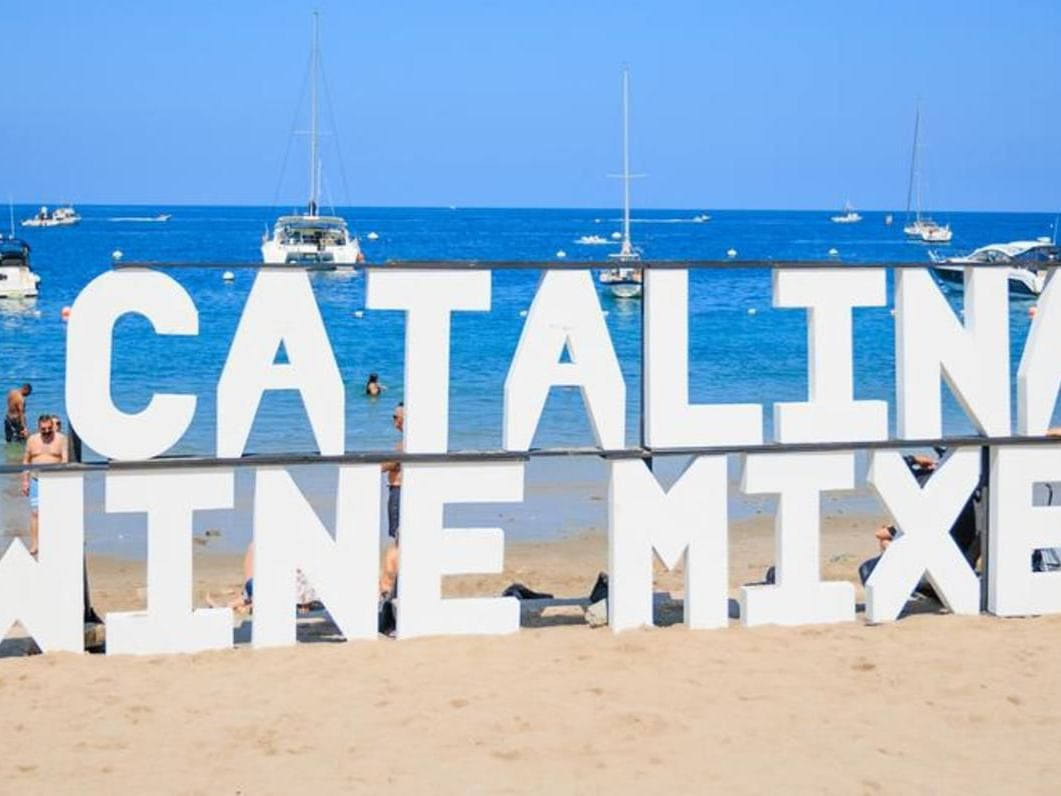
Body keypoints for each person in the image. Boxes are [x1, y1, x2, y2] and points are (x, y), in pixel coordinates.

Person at [22, 414, 68, 557]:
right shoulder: (32, 440)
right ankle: (35, 543)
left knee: (56, 513)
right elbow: (26, 461)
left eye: (49, 428)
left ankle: (57, 541)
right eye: (44, 429)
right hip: (36, 480)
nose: (47, 431)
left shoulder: (61, 439)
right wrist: (25, 480)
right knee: (35, 513)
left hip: (55, 481)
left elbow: (65, 460)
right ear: (38, 427)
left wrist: (63, 482)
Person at [379, 403, 403, 598]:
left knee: (398, 543)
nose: (394, 421)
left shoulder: (405, 444)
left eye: (397, 417)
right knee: (400, 541)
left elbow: (389, 463)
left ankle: (386, 588)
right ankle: (389, 588)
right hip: (400, 492)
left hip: (399, 493)